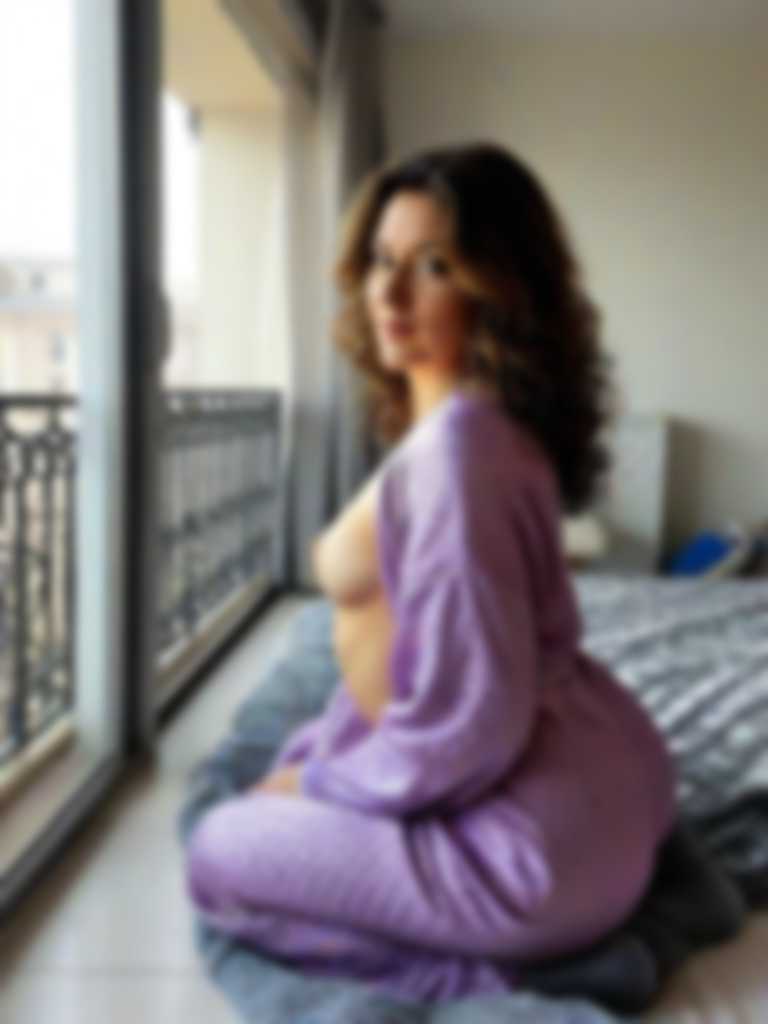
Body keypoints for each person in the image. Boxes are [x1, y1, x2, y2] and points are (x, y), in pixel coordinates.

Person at [183, 141, 677, 1005]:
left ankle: (512, 975)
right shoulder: (489, 425)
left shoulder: (456, 458)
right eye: (382, 260)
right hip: (606, 796)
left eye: (434, 266)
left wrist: (324, 783)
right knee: (297, 766)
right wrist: (325, 760)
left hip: (528, 862)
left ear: (498, 289)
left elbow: (472, 725)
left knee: (218, 856)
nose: (390, 293)